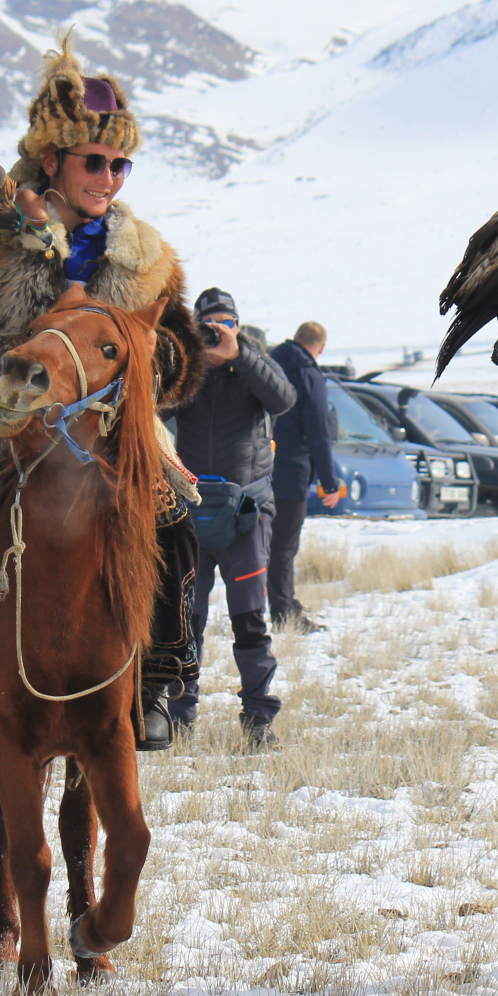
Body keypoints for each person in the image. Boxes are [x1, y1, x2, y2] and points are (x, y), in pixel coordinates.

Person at [0, 33, 206, 750]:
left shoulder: (145, 258)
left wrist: (148, 360)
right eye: (94, 161)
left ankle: (157, 673)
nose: (109, 177)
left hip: (105, 429)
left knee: (174, 515)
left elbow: (179, 351)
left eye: (120, 163)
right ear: (52, 159)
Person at [171, 288, 296, 749]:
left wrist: (239, 355)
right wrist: (182, 353)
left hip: (245, 512)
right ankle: (179, 715)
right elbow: (157, 403)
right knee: (186, 619)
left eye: (226, 322)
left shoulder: (254, 364)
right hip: (191, 510)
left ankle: (258, 717)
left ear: (238, 326)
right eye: (209, 323)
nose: (217, 331)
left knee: (249, 618)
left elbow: (284, 399)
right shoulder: (189, 369)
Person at [268, 321, 341, 632]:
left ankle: (281, 604)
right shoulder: (309, 375)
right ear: (320, 347)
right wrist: (330, 482)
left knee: (261, 546)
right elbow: (319, 434)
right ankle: (285, 614)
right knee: (283, 548)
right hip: (291, 472)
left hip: (256, 470)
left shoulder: (267, 366)